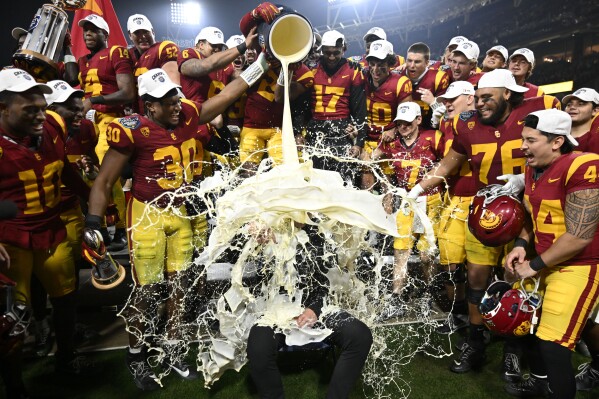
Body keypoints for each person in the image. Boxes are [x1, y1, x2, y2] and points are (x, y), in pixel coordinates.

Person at [85, 60, 268, 390]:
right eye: (165, 101)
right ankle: (136, 353)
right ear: (149, 105)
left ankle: (172, 348)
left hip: (180, 212)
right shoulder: (131, 128)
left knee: (180, 286)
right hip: (146, 215)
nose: (174, 105)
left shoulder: (186, 114)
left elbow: (228, 93)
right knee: (147, 290)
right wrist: (93, 221)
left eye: (175, 98)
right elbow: (104, 180)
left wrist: (262, 62)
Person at [403, 69, 560, 373]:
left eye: (488, 97)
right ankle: (476, 340)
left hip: (527, 212)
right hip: (485, 210)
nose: (480, 103)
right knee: (476, 278)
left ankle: (515, 348)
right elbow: (452, 159)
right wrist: (419, 187)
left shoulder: (537, 111)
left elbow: (561, 150)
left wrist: (525, 178)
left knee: (519, 280)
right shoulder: (467, 123)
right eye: (477, 97)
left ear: (508, 94)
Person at [0, 69, 93, 384]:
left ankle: (66, 358)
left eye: (42, 107)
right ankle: (16, 387)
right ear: (3, 109)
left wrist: (92, 197)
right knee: (12, 316)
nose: (42, 115)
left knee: (66, 299)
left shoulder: (53, 125)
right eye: (30, 110)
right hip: (12, 239)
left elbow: (64, 169)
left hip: (52, 228)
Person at [504, 109, 599, 399]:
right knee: (530, 328)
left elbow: (580, 236)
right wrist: (521, 244)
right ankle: (540, 382)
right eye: (523, 139)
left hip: (579, 264)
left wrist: (534, 264)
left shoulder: (582, 165)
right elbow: (536, 219)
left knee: (554, 344)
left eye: (531, 140)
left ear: (557, 141)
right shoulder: (535, 168)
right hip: (548, 263)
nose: (523, 146)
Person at [246, 224, 373, 399]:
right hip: (276, 308)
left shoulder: (319, 234)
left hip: (316, 306)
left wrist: (314, 309)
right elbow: (255, 280)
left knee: (360, 335)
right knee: (258, 346)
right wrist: (257, 242)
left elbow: (325, 282)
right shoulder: (268, 227)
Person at [373, 102, 442, 319]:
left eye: (408, 122)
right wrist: (387, 192)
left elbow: (449, 161)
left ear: (419, 120)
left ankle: (429, 294)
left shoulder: (433, 138)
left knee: (425, 253)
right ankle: (397, 296)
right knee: (400, 250)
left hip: (429, 200)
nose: (403, 126)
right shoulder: (391, 143)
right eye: (400, 123)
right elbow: (374, 161)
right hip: (405, 201)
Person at [73, 13, 136, 251]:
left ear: (105, 34)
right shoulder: (82, 60)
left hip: (111, 120)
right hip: (88, 123)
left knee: (106, 175)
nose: (88, 34)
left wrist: (95, 100)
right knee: (87, 172)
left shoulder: (116, 52)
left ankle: (120, 228)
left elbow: (128, 92)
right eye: (85, 30)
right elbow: (70, 79)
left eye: (93, 30)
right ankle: (101, 225)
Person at [283, 30, 367, 182]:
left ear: (344, 49)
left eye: (336, 52)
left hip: (341, 130)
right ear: (321, 51)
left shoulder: (353, 71)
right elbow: (301, 106)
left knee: (344, 181)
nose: (332, 57)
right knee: (314, 180)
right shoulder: (311, 70)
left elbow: (360, 110)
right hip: (316, 129)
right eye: (327, 52)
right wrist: (297, 133)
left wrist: (359, 143)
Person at [433, 81, 477, 334]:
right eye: (445, 100)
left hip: (479, 198)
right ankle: (457, 312)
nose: (447, 104)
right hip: (452, 198)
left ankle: (480, 319)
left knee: (478, 267)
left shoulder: (482, 124)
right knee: (450, 261)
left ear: (470, 98)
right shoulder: (446, 125)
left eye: (453, 99)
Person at [361, 39, 412, 190]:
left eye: (381, 64)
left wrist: (394, 130)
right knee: (366, 176)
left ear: (390, 63)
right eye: (372, 63)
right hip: (367, 137)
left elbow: (407, 117)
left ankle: (386, 212)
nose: (376, 69)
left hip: (389, 140)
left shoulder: (401, 82)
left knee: (386, 183)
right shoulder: (362, 76)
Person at [126, 13, 180, 113]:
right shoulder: (128, 56)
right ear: (130, 35)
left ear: (153, 32)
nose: (142, 36)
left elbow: (174, 87)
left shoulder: (164, 47)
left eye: (146, 32)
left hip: (161, 115)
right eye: (137, 32)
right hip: (138, 115)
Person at [403, 42, 450, 129]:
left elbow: (446, 114)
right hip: (403, 128)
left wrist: (433, 102)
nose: (412, 65)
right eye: (409, 61)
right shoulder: (399, 76)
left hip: (429, 129)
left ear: (427, 63)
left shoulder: (438, 78)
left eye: (417, 62)